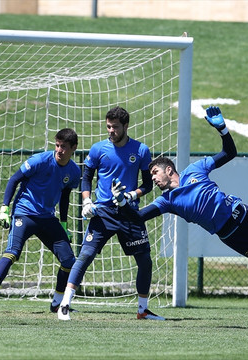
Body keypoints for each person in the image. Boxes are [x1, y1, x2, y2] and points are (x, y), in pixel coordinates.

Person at [111, 106, 248, 304]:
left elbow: (229, 153)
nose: (153, 179)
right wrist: (122, 202)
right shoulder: (167, 201)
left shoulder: (195, 169)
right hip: (234, 236)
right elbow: (138, 217)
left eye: (155, 173)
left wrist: (222, 129)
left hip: (247, 215)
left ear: (169, 169)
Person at [57, 106, 163, 321]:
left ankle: (142, 310)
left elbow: (148, 185)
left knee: (145, 261)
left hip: (129, 213)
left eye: (115, 127)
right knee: (85, 255)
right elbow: (86, 178)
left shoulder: (141, 150)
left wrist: (132, 195)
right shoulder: (98, 149)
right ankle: (64, 304)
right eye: (108, 127)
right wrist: (87, 200)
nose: (111, 131)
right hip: (102, 212)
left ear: (126, 126)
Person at [0, 128, 81, 313]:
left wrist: (65, 225)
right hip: (24, 214)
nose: (59, 150)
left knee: (69, 261)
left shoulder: (74, 171)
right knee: (12, 253)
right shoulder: (39, 160)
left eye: (64, 147)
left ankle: (57, 304)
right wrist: (5, 208)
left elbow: (65, 196)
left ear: (74, 148)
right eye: (57, 145)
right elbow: (14, 180)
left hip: (47, 218)